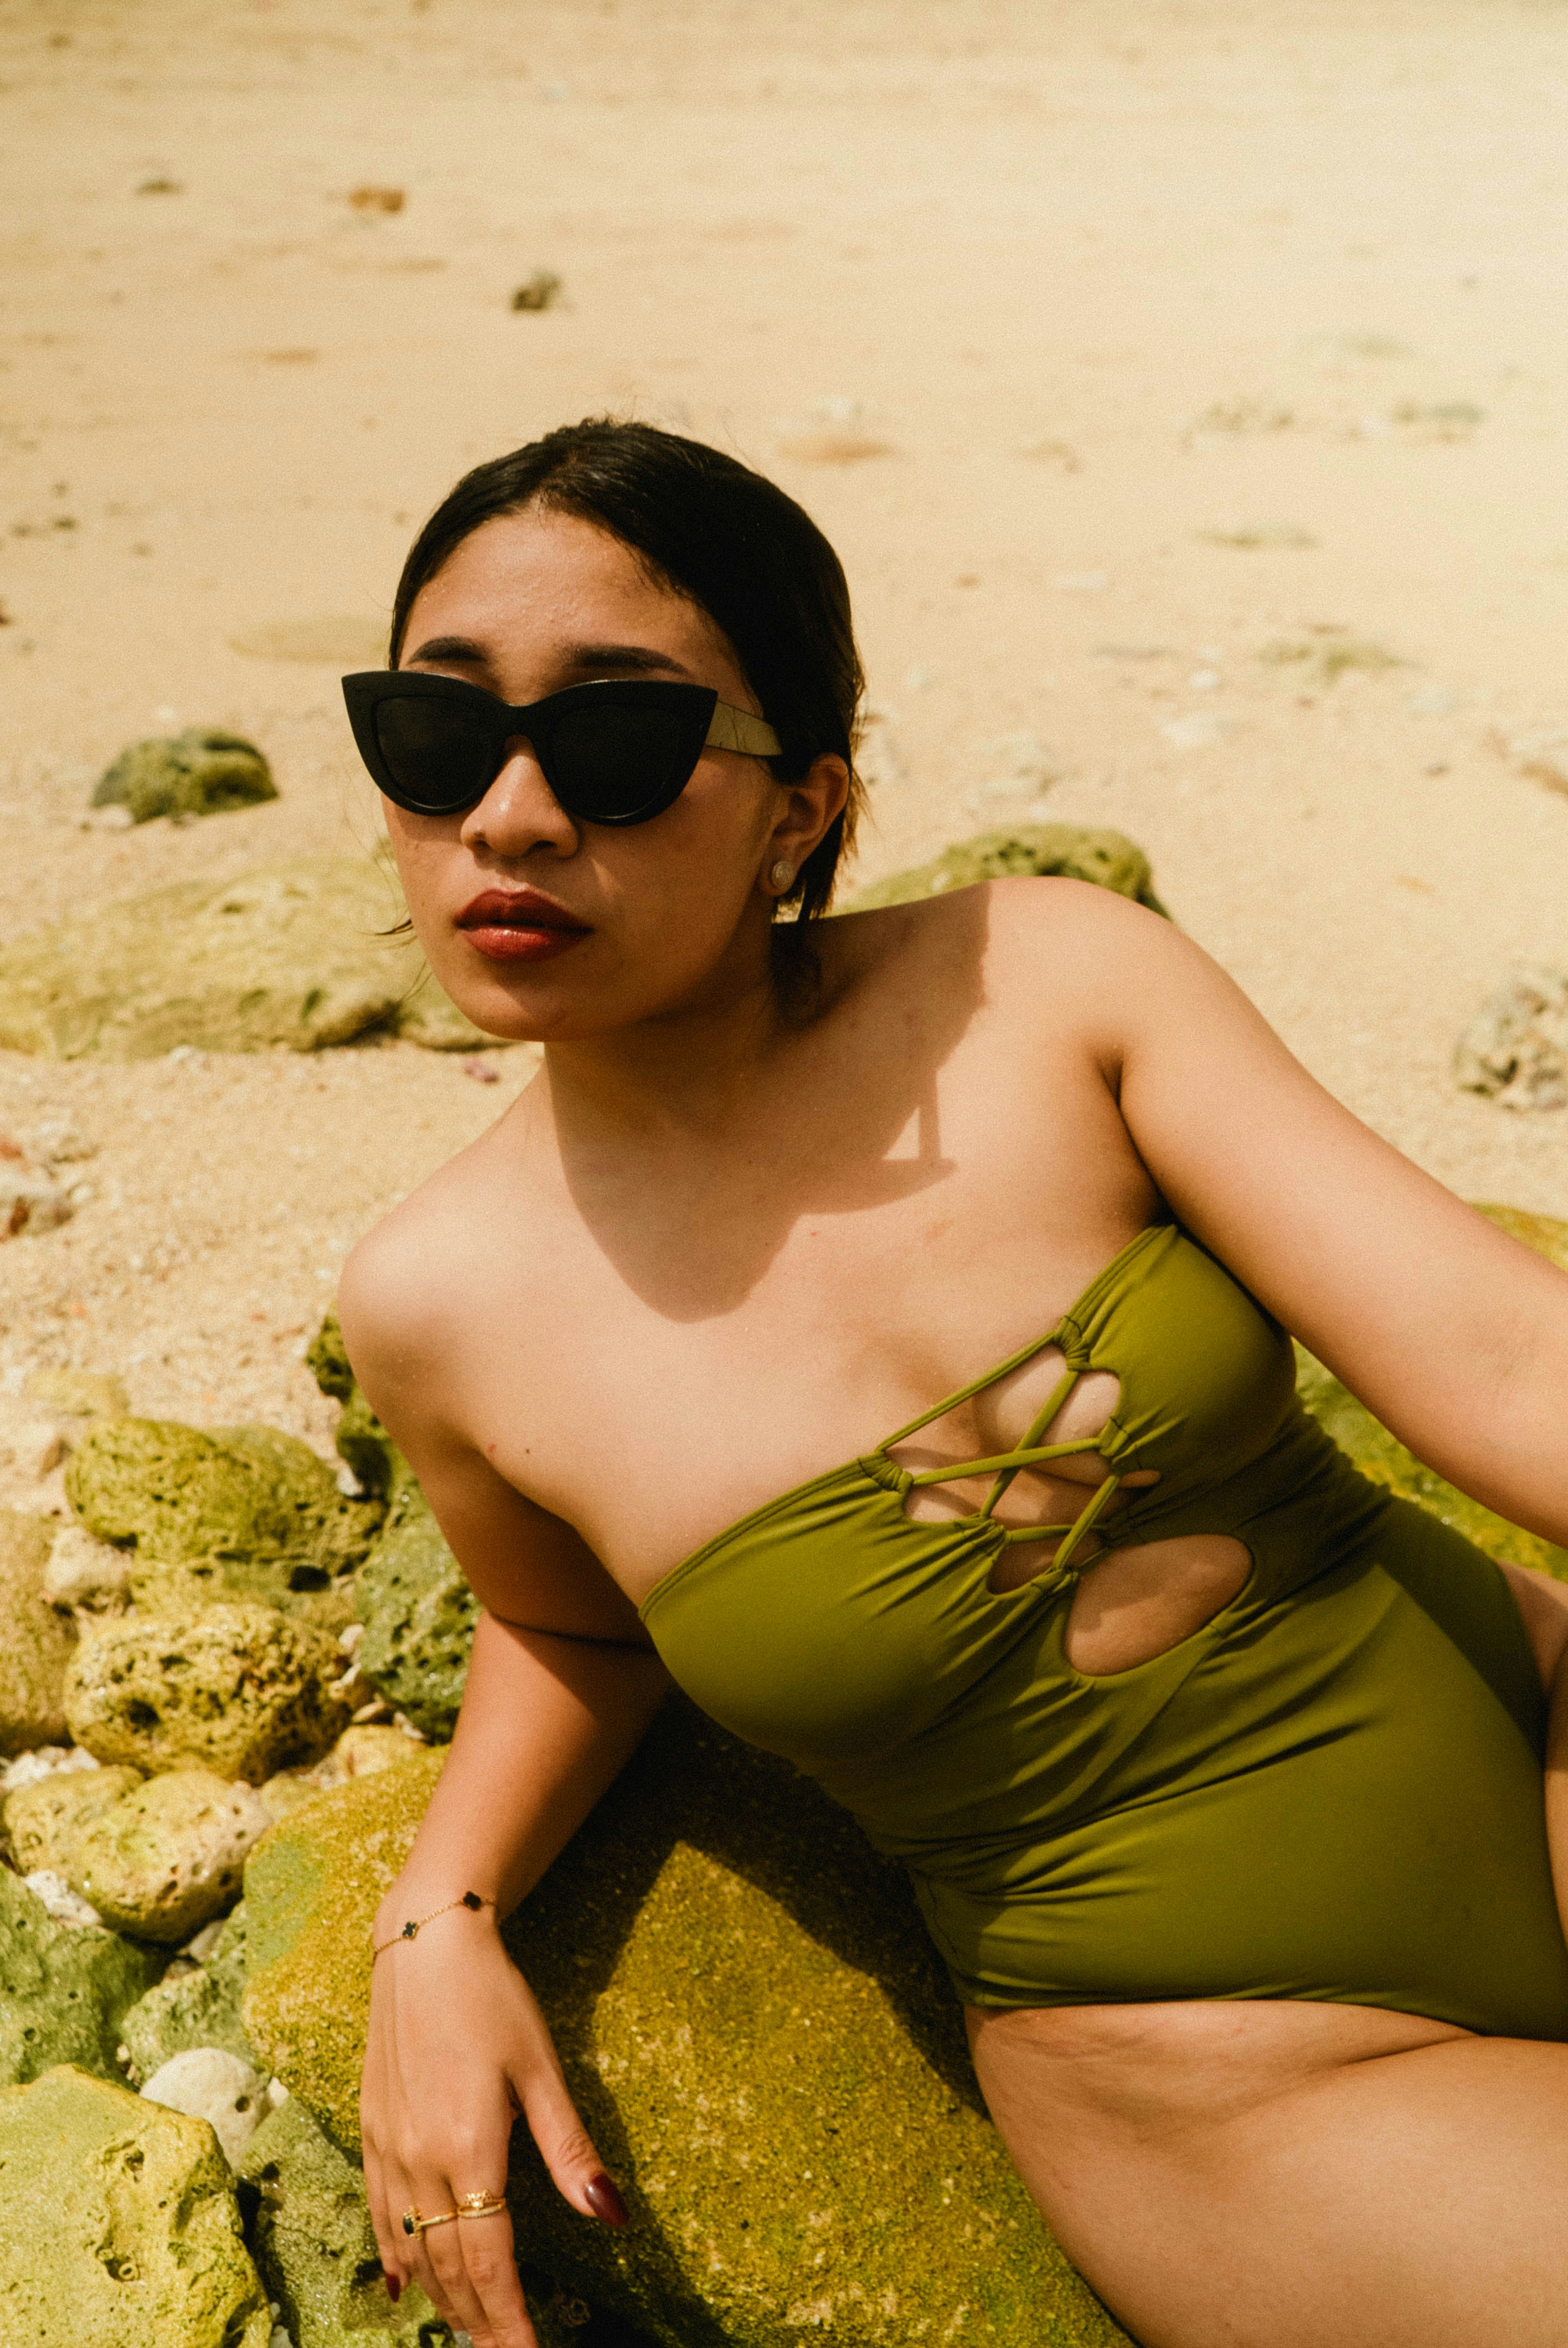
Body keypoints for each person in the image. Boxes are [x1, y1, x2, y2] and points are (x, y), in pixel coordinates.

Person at [338, 416, 1568, 2348]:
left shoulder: (1051, 983)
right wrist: (439, 1919)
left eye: (616, 740)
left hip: (1536, 1719)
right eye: (431, 737)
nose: (505, 816)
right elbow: (568, 1624)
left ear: (804, 805)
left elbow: (1504, 1356)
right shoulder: (442, 1308)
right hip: (1234, 2082)